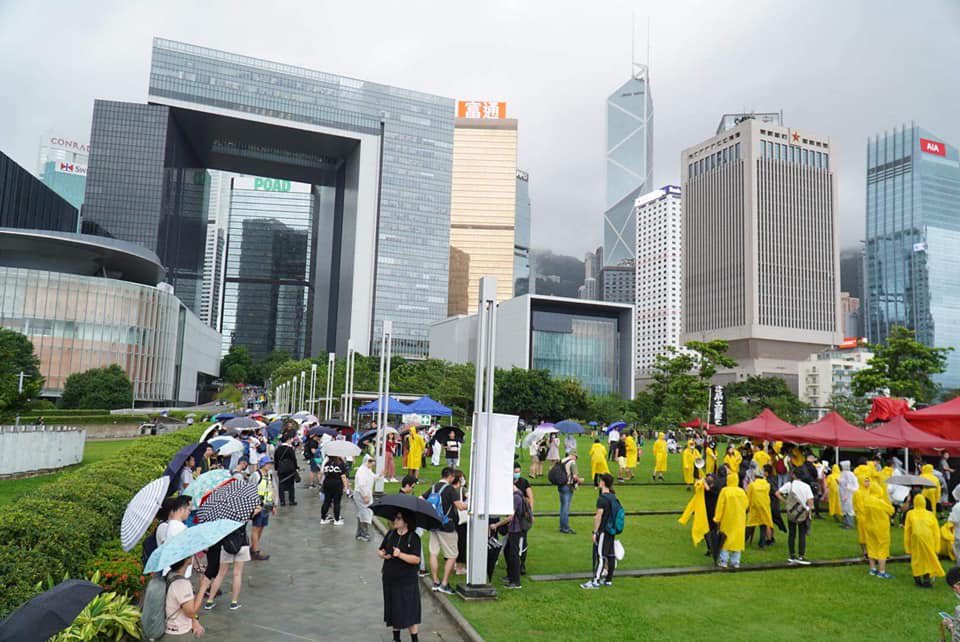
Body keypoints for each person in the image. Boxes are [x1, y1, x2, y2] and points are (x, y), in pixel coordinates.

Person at [378, 509, 422, 642]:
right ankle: (396, 638)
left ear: (406, 522)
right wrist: (381, 554)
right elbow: (382, 549)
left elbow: (416, 559)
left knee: (409, 610)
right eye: (394, 517)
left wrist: (400, 555)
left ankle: (414, 639)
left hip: (406, 581)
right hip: (390, 578)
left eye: (398, 518)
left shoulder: (413, 538)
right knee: (393, 608)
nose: (395, 520)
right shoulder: (390, 534)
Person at [422, 467, 466, 594]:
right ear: (451, 476)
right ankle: (444, 584)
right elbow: (460, 506)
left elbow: (421, 498)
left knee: (433, 553)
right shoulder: (450, 489)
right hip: (447, 526)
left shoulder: (434, 487)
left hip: (433, 524)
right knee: (452, 555)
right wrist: (470, 505)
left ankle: (435, 581)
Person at [581, 473, 619, 589]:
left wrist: (595, 532)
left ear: (602, 483)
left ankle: (595, 581)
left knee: (601, 555)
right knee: (610, 554)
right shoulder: (613, 497)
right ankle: (608, 579)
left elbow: (598, 516)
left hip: (604, 530)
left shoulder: (602, 498)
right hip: (612, 529)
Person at [904, 493, 946, 588]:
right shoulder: (930, 514)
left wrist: (907, 547)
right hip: (929, 538)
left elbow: (907, 530)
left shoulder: (910, 513)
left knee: (917, 557)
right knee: (928, 557)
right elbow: (936, 532)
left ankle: (917, 577)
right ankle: (926, 578)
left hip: (916, 539)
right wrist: (937, 548)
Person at [489, 478, 524, 589]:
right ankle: (510, 576)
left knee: (513, 555)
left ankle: (516, 581)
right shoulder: (518, 495)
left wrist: (496, 525)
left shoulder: (516, 497)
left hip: (515, 530)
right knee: (508, 553)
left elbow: (510, 517)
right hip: (512, 529)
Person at [776, 468, 814, 565]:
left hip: (792, 512)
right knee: (802, 535)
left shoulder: (790, 485)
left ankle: (792, 555)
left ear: (793, 475)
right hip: (803, 512)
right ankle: (801, 556)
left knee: (792, 534)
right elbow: (810, 501)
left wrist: (786, 502)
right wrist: (809, 511)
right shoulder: (806, 486)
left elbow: (777, 493)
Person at [860, 476, 895, 579]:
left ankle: (872, 569)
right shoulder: (880, 502)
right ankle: (882, 571)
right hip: (880, 528)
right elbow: (891, 511)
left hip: (869, 527)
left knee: (871, 546)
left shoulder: (866, 500)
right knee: (882, 548)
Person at [713, 474, 748, 569]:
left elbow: (720, 506)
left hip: (727, 519)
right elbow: (746, 504)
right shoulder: (741, 491)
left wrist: (717, 518)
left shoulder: (725, 491)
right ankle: (735, 561)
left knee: (725, 539)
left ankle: (724, 561)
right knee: (737, 540)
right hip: (739, 519)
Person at [165, 557, 205, 638]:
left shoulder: (170, 574)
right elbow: (191, 612)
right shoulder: (182, 583)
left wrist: (195, 620)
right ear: (188, 560)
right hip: (180, 631)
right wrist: (203, 587)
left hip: (169, 626)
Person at [249, 455, 278, 560]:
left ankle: (254, 548)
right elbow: (250, 490)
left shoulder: (269, 475)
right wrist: (255, 506)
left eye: (270, 463)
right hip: (258, 506)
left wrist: (273, 505)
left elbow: (272, 489)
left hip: (267, 505)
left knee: (261, 528)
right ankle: (256, 551)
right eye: (268, 463)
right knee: (256, 528)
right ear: (262, 464)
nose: (269, 465)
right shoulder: (256, 475)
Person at [512, 461, 534, 574]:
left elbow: (530, 497)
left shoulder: (524, 482)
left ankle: (522, 563)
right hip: (512, 516)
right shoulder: (508, 482)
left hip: (522, 516)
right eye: (515, 472)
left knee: (523, 540)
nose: (517, 474)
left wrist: (530, 513)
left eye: (518, 472)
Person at [745, 467, 773, 549]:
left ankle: (744, 540)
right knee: (763, 525)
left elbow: (748, 496)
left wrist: (747, 507)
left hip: (754, 507)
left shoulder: (752, 485)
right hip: (764, 507)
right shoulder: (767, 485)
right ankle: (762, 544)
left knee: (750, 525)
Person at [558, 448, 583, 535]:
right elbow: (575, 476)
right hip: (568, 486)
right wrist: (581, 480)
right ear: (573, 455)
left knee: (562, 507)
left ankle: (562, 526)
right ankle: (565, 527)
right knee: (566, 507)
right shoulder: (572, 463)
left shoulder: (562, 460)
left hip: (560, 485)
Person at [320, 455, 350, 525]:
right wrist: (346, 487)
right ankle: (336, 520)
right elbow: (343, 476)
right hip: (337, 484)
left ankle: (323, 519)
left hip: (327, 483)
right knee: (337, 502)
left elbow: (322, 473)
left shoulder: (327, 464)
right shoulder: (340, 464)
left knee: (326, 501)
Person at [354, 454, 377, 542]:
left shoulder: (368, 470)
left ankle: (360, 533)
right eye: (370, 461)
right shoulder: (362, 471)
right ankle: (364, 533)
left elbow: (373, 477)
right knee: (365, 514)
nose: (372, 463)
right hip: (361, 495)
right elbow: (361, 485)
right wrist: (364, 496)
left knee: (362, 513)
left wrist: (379, 475)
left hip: (365, 494)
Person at [273, 433, 299, 507]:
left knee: (281, 484)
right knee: (291, 484)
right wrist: (296, 467)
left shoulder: (278, 449)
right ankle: (291, 500)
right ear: (287, 440)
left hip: (281, 468)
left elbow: (276, 460)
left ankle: (282, 501)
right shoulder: (290, 449)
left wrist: (276, 468)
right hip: (290, 468)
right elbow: (294, 459)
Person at [838, 460, 859, 530]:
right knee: (844, 508)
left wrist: (846, 494)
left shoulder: (849, 474)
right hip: (843, 493)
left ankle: (850, 524)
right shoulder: (843, 473)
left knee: (849, 508)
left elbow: (849, 484)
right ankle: (845, 523)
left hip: (849, 494)